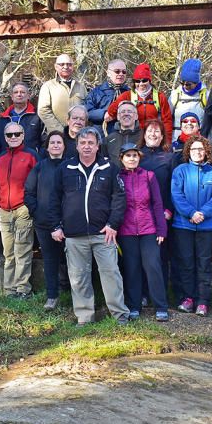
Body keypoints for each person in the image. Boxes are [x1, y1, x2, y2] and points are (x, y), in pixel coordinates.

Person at [48, 127, 130, 325]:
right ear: (76, 146)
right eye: (82, 143)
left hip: (104, 234)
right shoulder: (65, 169)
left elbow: (119, 198)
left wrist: (113, 224)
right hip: (74, 235)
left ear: (97, 146)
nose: (86, 146)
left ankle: (120, 316)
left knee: (111, 274)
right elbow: (53, 199)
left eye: (90, 143)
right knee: (78, 277)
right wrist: (56, 226)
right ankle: (84, 318)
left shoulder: (109, 168)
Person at [170, 135, 212, 316]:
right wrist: (191, 213)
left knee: (204, 264)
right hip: (183, 225)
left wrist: (203, 214)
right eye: (194, 149)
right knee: (186, 263)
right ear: (188, 152)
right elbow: (177, 195)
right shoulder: (180, 171)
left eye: (201, 149)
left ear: (206, 151)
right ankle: (188, 298)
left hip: (207, 226)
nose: (197, 152)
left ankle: (203, 301)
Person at [118, 143, 170, 322]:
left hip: (149, 229)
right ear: (122, 159)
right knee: (131, 269)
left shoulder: (149, 176)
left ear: (139, 158)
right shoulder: (118, 178)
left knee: (153, 267)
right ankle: (134, 306)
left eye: (134, 155)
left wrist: (161, 228)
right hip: (127, 230)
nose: (131, 159)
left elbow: (157, 203)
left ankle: (161, 306)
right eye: (128, 156)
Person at [0, 122, 37, 298]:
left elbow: (36, 183)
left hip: (22, 210)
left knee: (23, 250)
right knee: (8, 252)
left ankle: (22, 289)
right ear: (5, 138)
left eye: (17, 134)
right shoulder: (2, 157)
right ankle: (9, 289)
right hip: (4, 210)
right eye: (9, 135)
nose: (13, 137)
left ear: (23, 135)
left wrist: (30, 205)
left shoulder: (30, 155)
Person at [25, 130, 68, 310]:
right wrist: (37, 212)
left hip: (68, 224)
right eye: (52, 143)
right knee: (50, 260)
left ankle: (72, 294)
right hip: (44, 224)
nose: (56, 145)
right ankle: (52, 296)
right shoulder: (40, 167)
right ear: (47, 146)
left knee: (70, 261)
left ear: (64, 146)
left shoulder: (70, 166)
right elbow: (29, 193)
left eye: (59, 142)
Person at [139, 121, 178, 304]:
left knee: (161, 256)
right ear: (144, 134)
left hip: (162, 214)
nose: (153, 134)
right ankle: (144, 294)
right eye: (150, 131)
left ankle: (160, 295)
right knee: (142, 256)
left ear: (162, 136)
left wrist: (169, 209)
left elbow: (174, 186)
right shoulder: (137, 157)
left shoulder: (169, 158)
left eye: (157, 132)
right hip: (140, 215)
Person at [105, 63, 172, 133]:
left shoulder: (160, 97)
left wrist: (167, 142)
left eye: (144, 80)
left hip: (153, 137)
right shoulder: (127, 95)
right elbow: (111, 111)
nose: (141, 84)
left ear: (149, 80)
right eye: (137, 81)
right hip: (133, 136)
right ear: (134, 82)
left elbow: (167, 121)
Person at [39, 53, 88, 134]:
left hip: (78, 135)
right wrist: (60, 130)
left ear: (73, 67)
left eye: (69, 64)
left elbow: (86, 110)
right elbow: (43, 111)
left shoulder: (81, 87)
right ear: (56, 67)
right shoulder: (48, 86)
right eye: (62, 64)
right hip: (57, 136)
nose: (65, 67)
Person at [0, 82, 43, 153]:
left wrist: (38, 157)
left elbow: (44, 142)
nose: (19, 94)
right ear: (12, 96)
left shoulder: (37, 118)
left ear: (28, 95)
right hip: (7, 161)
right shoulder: (2, 120)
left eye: (22, 92)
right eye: (16, 92)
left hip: (31, 161)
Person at [169, 58, 209, 139]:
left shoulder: (205, 95)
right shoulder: (175, 95)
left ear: (196, 82)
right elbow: (166, 118)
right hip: (177, 141)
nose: (184, 86)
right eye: (182, 82)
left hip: (198, 142)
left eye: (188, 84)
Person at [85, 58, 130, 127]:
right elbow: (87, 112)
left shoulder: (130, 93)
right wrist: (103, 114)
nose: (121, 74)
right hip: (102, 133)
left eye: (124, 72)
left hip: (125, 134)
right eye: (117, 71)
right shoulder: (96, 92)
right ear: (108, 73)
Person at [103, 100, 142, 169]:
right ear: (118, 117)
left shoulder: (144, 137)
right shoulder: (109, 139)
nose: (126, 114)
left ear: (136, 116)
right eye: (123, 112)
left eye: (129, 111)